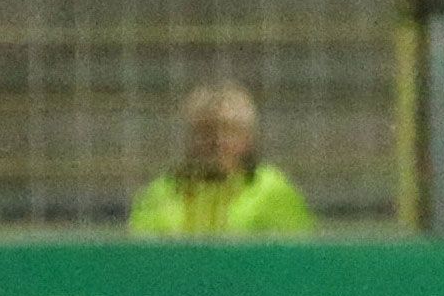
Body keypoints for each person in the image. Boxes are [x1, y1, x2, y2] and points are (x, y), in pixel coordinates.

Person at [128, 81, 314, 235]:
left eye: (230, 130)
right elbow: (141, 259)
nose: (218, 141)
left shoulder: (274, 191)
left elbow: (295, 263)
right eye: (206, 131)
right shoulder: (160, 193)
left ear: (248, 137)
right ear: (189, 138)